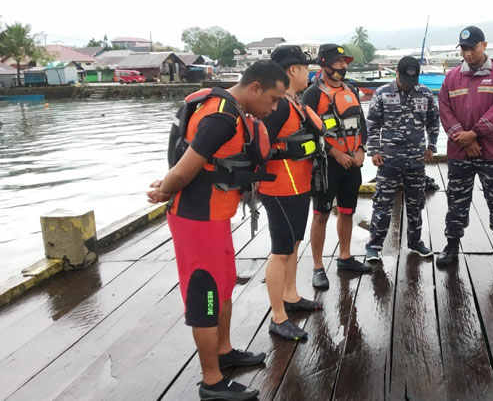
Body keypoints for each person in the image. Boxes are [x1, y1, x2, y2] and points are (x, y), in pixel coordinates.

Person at [146, 60, 288, 400]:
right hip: (196, 218)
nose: (274, 107)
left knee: (224, 283)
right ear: (255, 88)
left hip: (216, 216)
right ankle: (211, 381)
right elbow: (183, 170)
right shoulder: (222, 117)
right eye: (272, 98)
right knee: (205, 291)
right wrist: (164, 189)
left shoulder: (233, 111)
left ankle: (224, 353)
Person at [257, 46, 327, 340]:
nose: (308, 72)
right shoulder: (278, 106)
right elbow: (258, 146)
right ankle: (278, 315)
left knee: (294, 244)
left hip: (298, 186)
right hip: (280, 188)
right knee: (281, 251)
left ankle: (292, 295)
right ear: (291, 71)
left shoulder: (293, 102)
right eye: (304, 67)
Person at [436, 26, 493, 271]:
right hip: (460, 151)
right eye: (463, 49)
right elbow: (445, 110)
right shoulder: (451, 78)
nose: (467, 54)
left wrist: (475, 133)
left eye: (472, 48)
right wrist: (465, 139)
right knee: (456, 199)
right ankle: (451, 245)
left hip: (490, 151)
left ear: (484, 45)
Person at [303, 43, 371, 289]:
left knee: (347, 211)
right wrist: (335, 154)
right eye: (339, 63)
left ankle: (345, 257)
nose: (343, 67)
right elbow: (309, 132)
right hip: (327, 166)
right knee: (321, 214)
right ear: (324, 64)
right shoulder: (313, 94)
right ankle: (318, 266)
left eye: (345, 63)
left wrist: (362, 149)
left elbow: (362, 124)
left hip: (353, 163)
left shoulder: (350, 89)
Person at [365, 56, 439, 260]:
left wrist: (432, 145)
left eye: (412, 81)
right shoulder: (382, 93)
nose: (408, 84)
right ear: (397, 73)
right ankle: (374, 246)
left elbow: (433, 121)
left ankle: (416, 242)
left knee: (416, 203)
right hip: (389, 159)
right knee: (382, 203)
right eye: (405, 79)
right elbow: (372, 124)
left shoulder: (424, 93)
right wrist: (374, 150)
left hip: (416, 160)